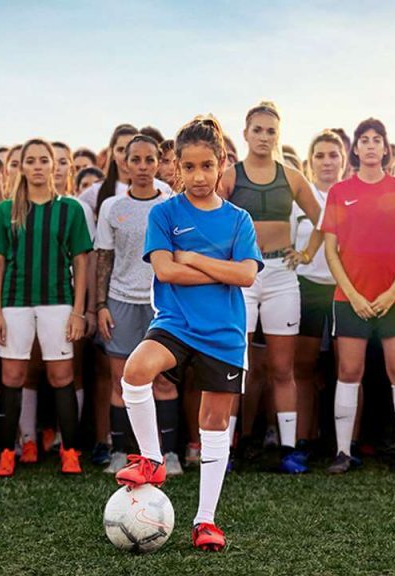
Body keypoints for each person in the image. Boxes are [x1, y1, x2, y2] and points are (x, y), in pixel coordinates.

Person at [113, 115, 261, 552]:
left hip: (224, 333)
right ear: (174, 166)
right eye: (189, 167)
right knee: (136, 371)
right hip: (175, 324)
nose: (199, 176)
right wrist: (222, 271)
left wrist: (194, 258)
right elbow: (164, 269)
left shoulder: (238, 220)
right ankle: (153, 459)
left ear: (222, 165)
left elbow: (247, 275)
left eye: (207, 166)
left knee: (214, 425)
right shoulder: (164, 213)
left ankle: (205, 521)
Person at [319, 118, 395, 475]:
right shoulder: (339, 192)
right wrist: (352, 294)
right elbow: (331, 250)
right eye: (363, 140)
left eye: (376, 140)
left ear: (385, 148)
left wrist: (393, 290)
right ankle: (342, 452)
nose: (369, 145)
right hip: (350, 298)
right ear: (356, 148)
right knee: (349, 370)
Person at [217, 101, 321, 473]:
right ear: (245, 133)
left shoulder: (291, 176)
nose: (263, 137)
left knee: (281, 366)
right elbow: (208, 218)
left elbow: (323, 218)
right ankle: (223, 450)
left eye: (271, 131)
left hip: (281, 275)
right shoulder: (229, 176)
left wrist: (307, 251)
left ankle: (289, 449)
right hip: (242, 277)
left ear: (279, 135)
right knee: (233, 363)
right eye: (257, 130)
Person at [0, 139, 91, 477]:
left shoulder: (70, 209)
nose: (36, 166)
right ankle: (8, 451)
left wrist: (78, 310)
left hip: (59, 301)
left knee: (61, 375)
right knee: (12, 376)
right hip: (14, 302)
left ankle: (70, 451)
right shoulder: (7, 209)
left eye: (43, 160)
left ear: (54, 165)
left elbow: (81, 260)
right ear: (20, 167)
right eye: (28, 160)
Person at [94, 135, 177, 474]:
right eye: (136, 160)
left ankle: (167, 455)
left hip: (163, 305)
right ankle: (120, 453)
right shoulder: (113, 207)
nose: (143, 167)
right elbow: (104, 258)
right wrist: (100, 305)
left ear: (159, 162)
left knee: (164, 381)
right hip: (121, 301)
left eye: (149, 160)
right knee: (122, 380)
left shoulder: (170, 202)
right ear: (124, 164)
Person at [290, 130, 344, 460]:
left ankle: (345, 444)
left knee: (347, 369)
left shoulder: (352, 194)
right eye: (320, 156)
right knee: (304, 367)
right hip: (305, 287)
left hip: (345, 288)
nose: (326, 161)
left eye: (333, 155)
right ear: (311, 162)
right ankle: (302, 442)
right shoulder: (298, 196)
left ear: (343, 160)